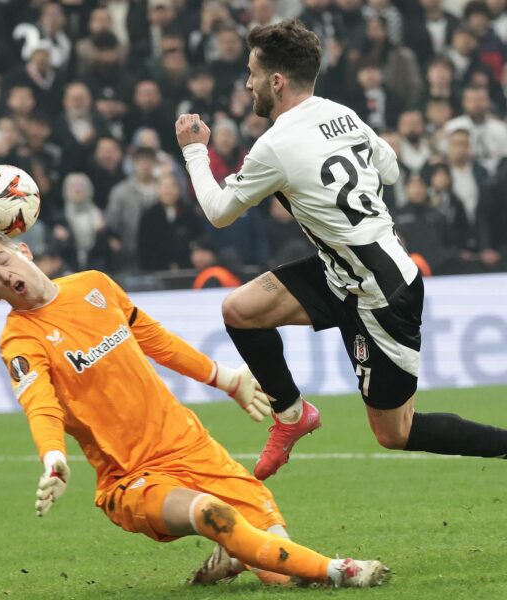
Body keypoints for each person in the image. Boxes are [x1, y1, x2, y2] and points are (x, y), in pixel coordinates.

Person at [0, 229, 387, 589]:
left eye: (3, 260)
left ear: (23, 250)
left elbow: (155, 339)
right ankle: (341, 571)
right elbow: (40, 404)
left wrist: (225, 377)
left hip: (188, 444)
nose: (2, 275)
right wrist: (53, 456)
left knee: (282, 574)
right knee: (209, 513)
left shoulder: (95, 286)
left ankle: (235, 556)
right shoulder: (20, 341)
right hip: (130, 476)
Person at [175, 18, 507, 482]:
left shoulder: (274, 146)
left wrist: (194, 151)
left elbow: (218, 212)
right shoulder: (343, 114)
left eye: (251, 72)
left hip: (382, 296)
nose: (247, 82)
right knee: (239, 309)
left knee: (395, 432)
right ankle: (292, 415)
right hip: (342, 272)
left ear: (276, 80)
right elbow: (389, 170)